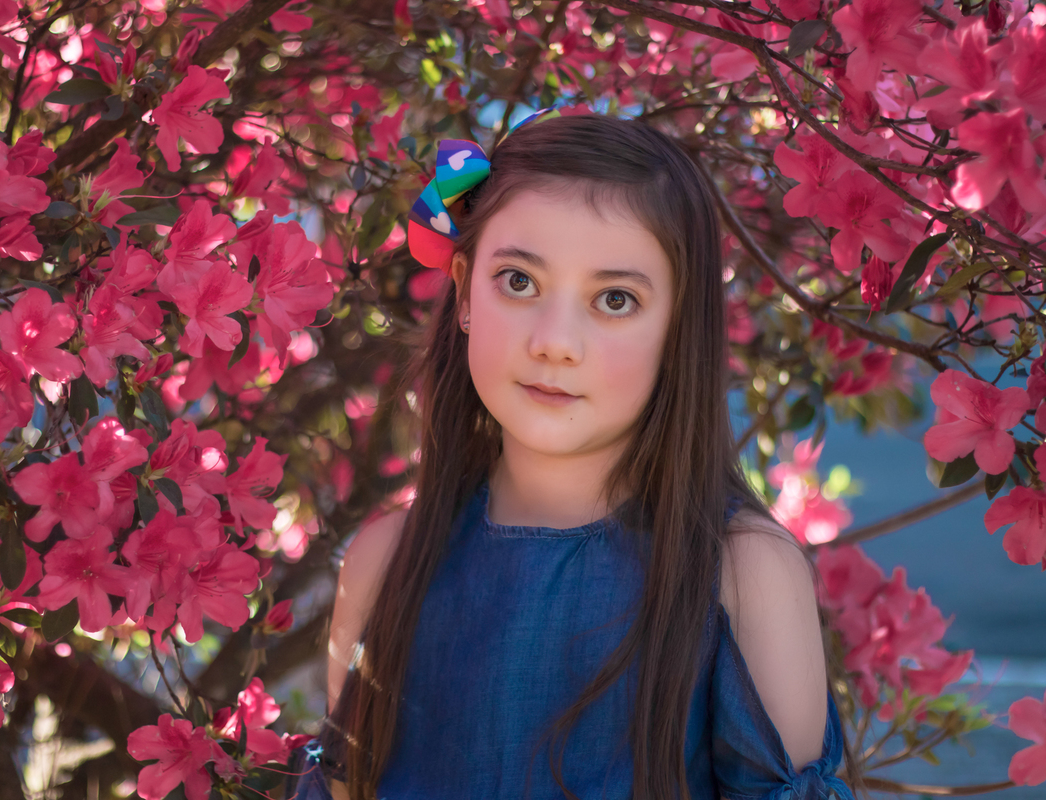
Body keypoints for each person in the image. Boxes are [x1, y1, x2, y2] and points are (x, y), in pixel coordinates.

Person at [285, 108, 863, 800]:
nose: (555, 341)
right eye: (519, 282)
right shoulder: (384, 562)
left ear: (679, 327)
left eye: (614, 299)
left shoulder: (741, 573)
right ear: (465, 290)